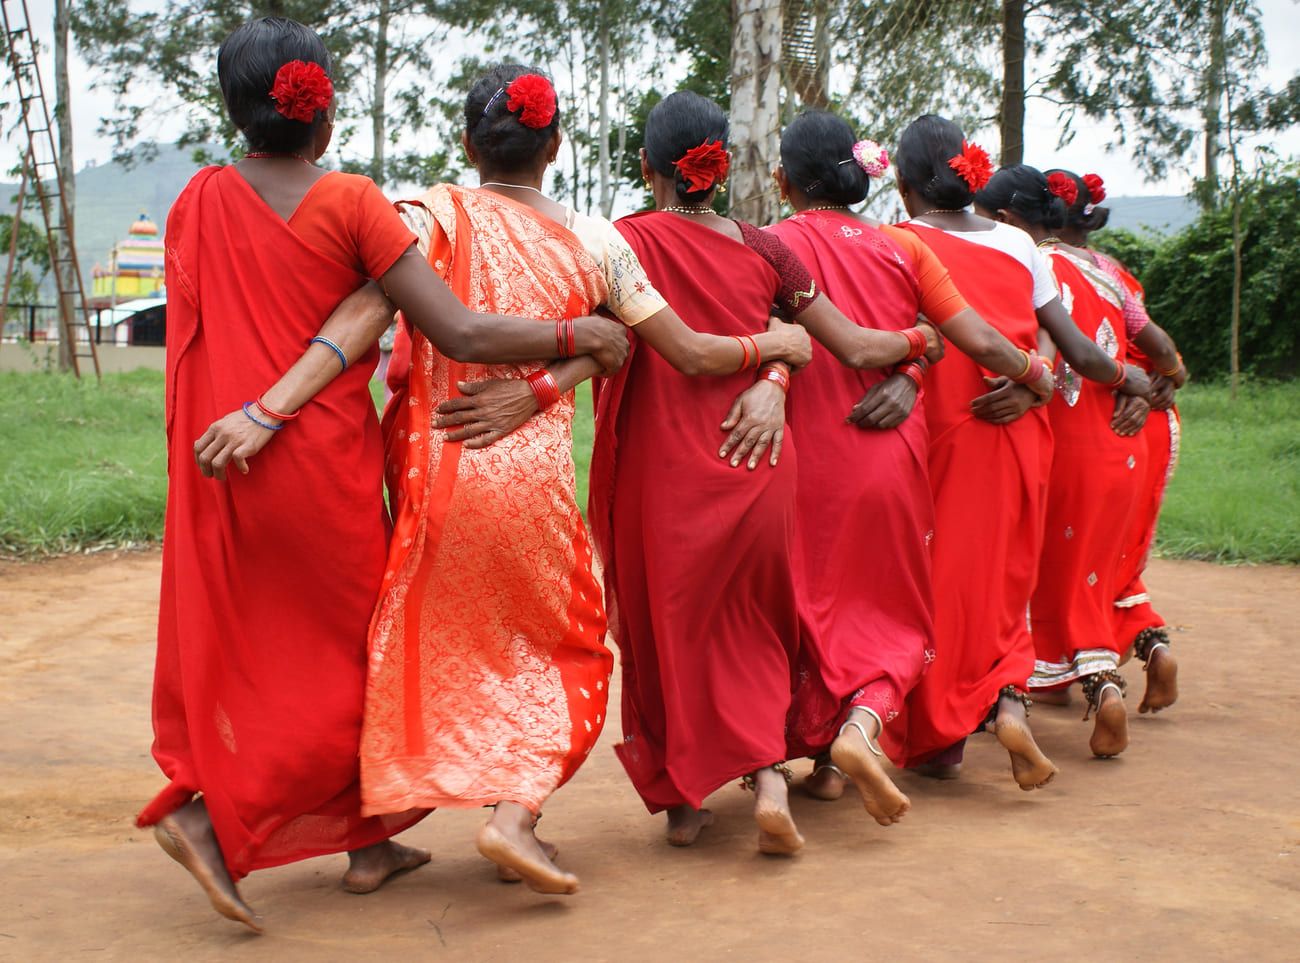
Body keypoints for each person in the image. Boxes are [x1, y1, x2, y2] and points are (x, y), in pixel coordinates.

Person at [145, 20, 627, 932]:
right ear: (322, 117)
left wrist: (247, 416)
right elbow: (460, 330)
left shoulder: (196, 200)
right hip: (317, 466)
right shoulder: (354, 202)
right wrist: (577, 339)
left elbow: (193, 345)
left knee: (259, 646)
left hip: (219, 456)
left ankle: (369, 845)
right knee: (350, 660)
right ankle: (206, 814)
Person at [354, 66, 811, 897]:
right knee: (560, 652)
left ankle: (368, 841)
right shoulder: (602, 243)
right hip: (531, 481)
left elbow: (371, 307)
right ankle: (513, 815)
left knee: (430, 643)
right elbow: (675, 350)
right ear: (557, 146)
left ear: (467, 145)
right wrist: (775, 351)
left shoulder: (425, 215)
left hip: (434, 471)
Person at [588, 91, 942, 854]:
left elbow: (601, 342)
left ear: (648, 166)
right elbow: (849, 344)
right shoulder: (765, 249)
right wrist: (917, 341)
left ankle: (684, 805)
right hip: (758, 466)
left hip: (663, 473)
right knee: (756, 628)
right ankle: (772, 780)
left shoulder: (620, 243)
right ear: (724, 165)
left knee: (664, 634)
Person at [766, 111, 1055, 808]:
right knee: (895, 605)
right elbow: (975, 339)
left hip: (806, 453)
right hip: (896, 454)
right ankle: (866, 737)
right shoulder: (903, 250)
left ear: (783, 181)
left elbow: (770, 337)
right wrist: (1031, 373)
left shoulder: (771, 244)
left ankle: (806, 760)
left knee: (807, 603)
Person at [890, 117, 1153, 782]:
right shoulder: (1020, 244)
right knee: (1009, 576)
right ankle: (1008, 700)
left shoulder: (896, 243)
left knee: (939, 575)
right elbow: (1070, 348)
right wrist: (1115, 378)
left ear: (901, 184)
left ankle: (941, 740)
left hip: (939, 428)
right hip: (1020, 430)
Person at [975, 163, 1154, 757]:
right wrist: (1149, 380)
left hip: (1060, 442)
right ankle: (1072, 675)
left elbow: (1044, 351)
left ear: (1003, 219)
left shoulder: (1027, 264)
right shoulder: (1106, 270)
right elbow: (1144, 339)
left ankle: (1100, 684)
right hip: (1121, 441)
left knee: (1044, 572)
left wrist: (1030, 382)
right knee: (1090, 575)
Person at [1050, 169, 1185, 714]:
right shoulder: (1112, 271)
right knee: (1115, 561)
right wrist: (1164, 381)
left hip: (1082, 426)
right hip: (1140, 430)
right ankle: (1152, 644)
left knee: (1065, 558)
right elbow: (1159, 348)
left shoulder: (1040, 267)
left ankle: (1092, 674)